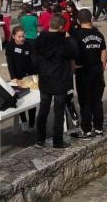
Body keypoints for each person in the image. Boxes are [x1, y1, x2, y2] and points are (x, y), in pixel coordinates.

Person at [33, 15, 77, 149]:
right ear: (61, 27)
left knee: (43, 109)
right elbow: (75, 52)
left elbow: (34, 59)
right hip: (60, 80)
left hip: (45, 79)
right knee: (59, 112)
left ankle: (40, 138)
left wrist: (41, 69)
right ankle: (57, 141)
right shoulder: (63, 40)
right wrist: (69, 38)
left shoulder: (40, 38)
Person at [70, 9, 107, 138]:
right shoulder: (99, 34)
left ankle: (86, 129)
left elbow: (72, 53)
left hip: (83, 72)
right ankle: (99, 128)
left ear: (78, 21)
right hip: (97, 71)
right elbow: (103, 53)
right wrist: (101, 69)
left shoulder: (76, 34)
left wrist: (73, 67)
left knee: (85, 101)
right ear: (91, 19)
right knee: (97, 100)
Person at [5, 26, 36, 131]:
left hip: (29, 76)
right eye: (19, 37)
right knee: (21, 100)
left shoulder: (28, 45)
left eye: (23, 36)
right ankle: (24, 121)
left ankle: (32, 122)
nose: (22, 39)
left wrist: (34, 75)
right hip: (18, 77)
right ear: (13, 36)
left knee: (32, 100)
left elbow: (33, 61)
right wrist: (13, 77)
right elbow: (10, 63)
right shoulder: (10, 46)